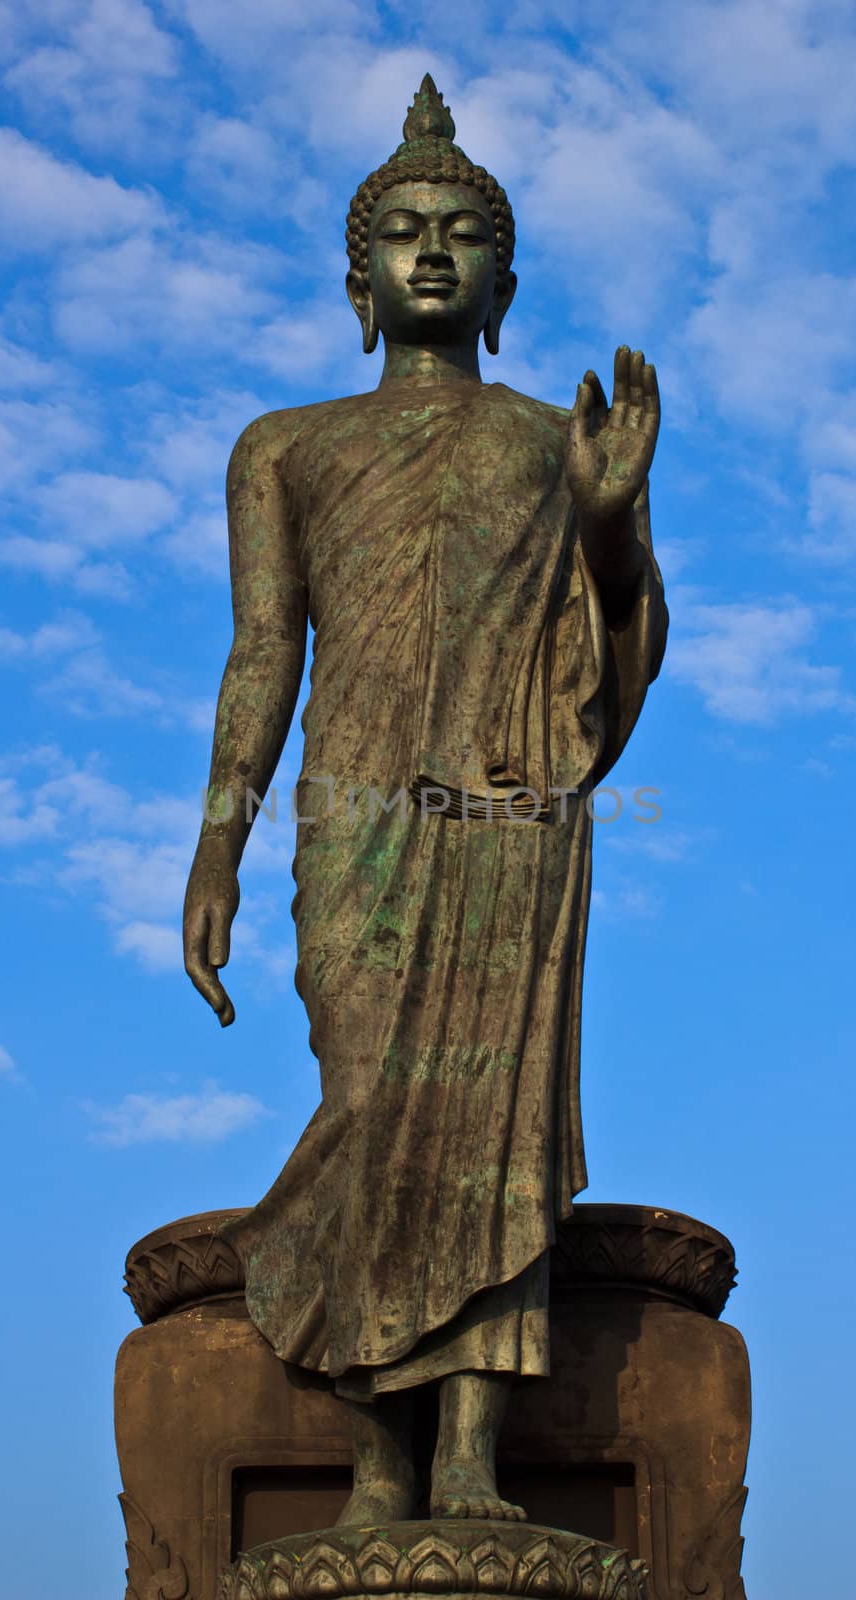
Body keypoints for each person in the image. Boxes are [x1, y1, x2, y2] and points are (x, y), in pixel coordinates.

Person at [182, 76, 667, 1526]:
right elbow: (265, 646)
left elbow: (618, 645)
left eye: (464, 232)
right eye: (404, 231)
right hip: (360, 809)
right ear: (359, 274)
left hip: (511, 809)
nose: (434, 252)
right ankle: (373, 1456)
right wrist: (220, 843)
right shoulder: (287, 445)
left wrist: (605, 521)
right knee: (371, 1093)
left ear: (507, 279)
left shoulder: (544, 437)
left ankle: (463, 1452)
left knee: (494, 1121)